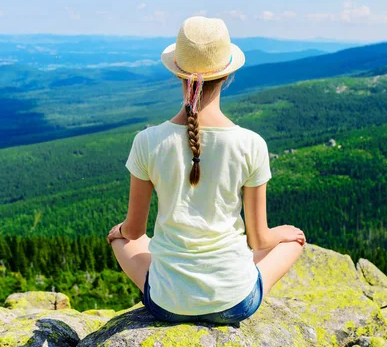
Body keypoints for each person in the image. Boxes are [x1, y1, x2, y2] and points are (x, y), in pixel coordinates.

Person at [107, 16, 306, 324]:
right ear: (227, 76)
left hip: (167, 303)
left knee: (121, 240)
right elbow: (259, 240)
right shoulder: (251, 143)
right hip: (237, 301)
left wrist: (119, 233)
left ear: (178, 74)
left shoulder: (147, 141)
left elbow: (134, 231)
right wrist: (283, 234)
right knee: (294, 242)